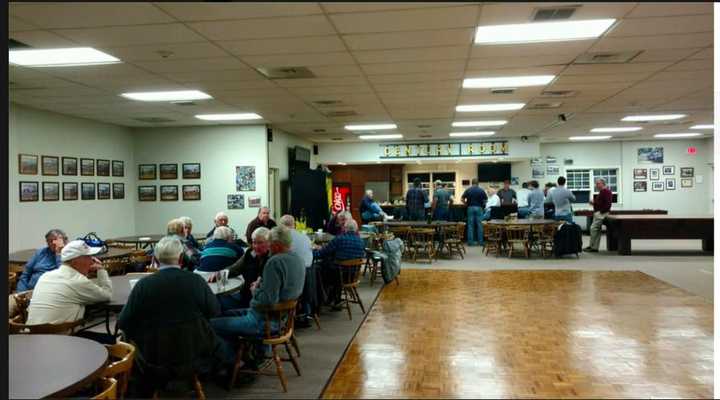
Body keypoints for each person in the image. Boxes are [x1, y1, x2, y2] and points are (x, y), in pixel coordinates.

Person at [118, 236, 232, 394]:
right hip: (196, 354)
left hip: (154, 359)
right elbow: (215, 311)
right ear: (181, 258)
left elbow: (123, 322)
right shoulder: (196, 281)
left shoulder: (143, 286)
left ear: (156, 260)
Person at [210, 226, 305, 368]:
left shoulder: (274, 262)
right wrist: (261, 285)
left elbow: (267, 300)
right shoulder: (297, 258)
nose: (257, 246)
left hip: (264, 320)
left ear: (276, 246)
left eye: (268, 244)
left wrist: (256, 290)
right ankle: (246, 354)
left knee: (210, 325)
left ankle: (235, 363)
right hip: (281, 319)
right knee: (224, 314)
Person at [26, 240, 114, 344]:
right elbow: (107, 295)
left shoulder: (46, 276)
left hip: (31, 339)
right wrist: (101, 269)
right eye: (87, 257)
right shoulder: (78, 281)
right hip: (60, 342)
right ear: (74, 261)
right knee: (113, 341)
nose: (92, 261)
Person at [313, 219, 366, 306]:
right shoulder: (361, 241)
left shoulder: (339, 239)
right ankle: (333, 298)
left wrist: (311, 253)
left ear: (344, 228)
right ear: (356, 229)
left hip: (338, 275)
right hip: (353, 276)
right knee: (330, 265)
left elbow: (322, 253)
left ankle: (322, 300)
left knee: (318, 269)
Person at [218, 227, 271, 312]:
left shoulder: (272, 260)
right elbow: (235, 268)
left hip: (257, 304)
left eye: (260, 243)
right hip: (244, 297)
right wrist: (220, 273)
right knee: (218, 299)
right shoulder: (250, 253)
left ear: (269, 243)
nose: (256, 246)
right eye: (254, 242)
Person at [585, 178, 613, 253]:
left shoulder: (605, 191)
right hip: (599, 213)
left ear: (603, 183)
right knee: (596, 230)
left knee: (593, 228)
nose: (596, 185)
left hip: (601, 213)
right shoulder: (602, 192)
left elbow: (607, 204)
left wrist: (600, 211)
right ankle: (593, 246)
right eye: (596, 183)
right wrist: (594, 203)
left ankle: (593, 246)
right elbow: (601, 203)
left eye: (598, 183)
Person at [461, 179, 487, 246]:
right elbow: (485, 200)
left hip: (470, 208)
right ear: (478, 183)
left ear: (472, 183)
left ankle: (470, 242)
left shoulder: (468, 190)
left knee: (470, 226)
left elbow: (462, 199)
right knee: (480, 225)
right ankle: (480, 242)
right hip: (479, 208)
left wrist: (466, 204)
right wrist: (482, 205)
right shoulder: (481, 190)